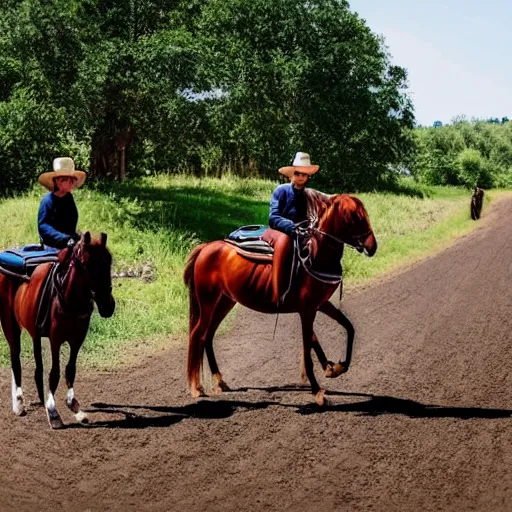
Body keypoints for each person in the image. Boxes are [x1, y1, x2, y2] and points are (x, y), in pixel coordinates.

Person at [263, 152, 320, 305]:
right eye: (298, 173)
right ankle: (277, 290)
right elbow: (273, 217)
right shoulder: (281, 191)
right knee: (284, 242)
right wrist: (292, 227)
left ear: (308, 177)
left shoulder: (309, 195)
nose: (301, 177)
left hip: (303, 232)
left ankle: (316, 286)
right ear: (292, 174)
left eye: (305, 174)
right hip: (280, 230)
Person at [37, 157, 86, 249]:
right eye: (68, 180)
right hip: (52, 244)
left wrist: (78, 236)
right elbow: (43, 226)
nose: (72, 183)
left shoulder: (69, 199)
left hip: (70, 242)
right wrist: (62, 238)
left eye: (73, 180)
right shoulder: (47, 201)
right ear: (58, 181)